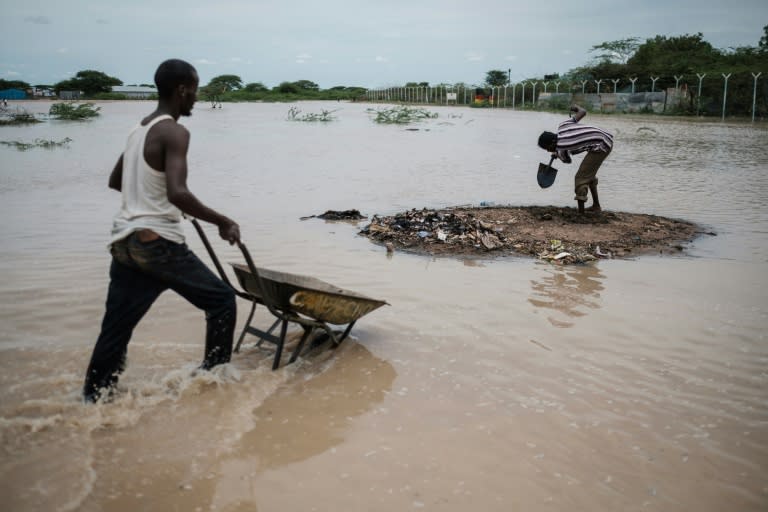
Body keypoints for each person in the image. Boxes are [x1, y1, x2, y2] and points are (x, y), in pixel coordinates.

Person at [82, 59, 240, 403]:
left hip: (124, 242)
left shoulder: (137, 130)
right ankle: (213, 385)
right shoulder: (174, 131)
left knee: (116, 330)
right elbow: (177, 192)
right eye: (194, 90)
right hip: (157, 243)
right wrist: (224, 222)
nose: (196, 98)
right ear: (182, 89)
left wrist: (149, 199)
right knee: (222, 301)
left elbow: (115, 181)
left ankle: (94, 399)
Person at [537, 105, 614, 214]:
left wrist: (557, 154)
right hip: (604, 137)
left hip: (601, 146)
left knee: (581, 177)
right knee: (588, 175)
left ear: (553, 143)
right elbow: (583, 111)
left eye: (548, 148)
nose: (548, 151)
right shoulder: (563, 126)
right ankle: (596, 206)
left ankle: (581, 214)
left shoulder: (562, 148)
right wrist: (575, 108)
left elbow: (568, 161)